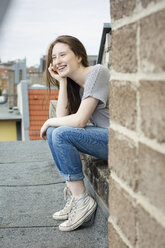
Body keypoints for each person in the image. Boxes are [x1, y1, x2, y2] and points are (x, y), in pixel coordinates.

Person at [40, 35, 110, 232]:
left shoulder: (97, 72)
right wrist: (62, 82)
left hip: (119, 141)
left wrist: (47, 121)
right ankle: (74, 193)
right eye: (54, 58)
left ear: (79, 56)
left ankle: (82, 200)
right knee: (56, 131)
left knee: (59, 132)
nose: (57, 61)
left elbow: (78, 121)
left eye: (63, 54)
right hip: (105, 138)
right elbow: (62, 117)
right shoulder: (79, 88)